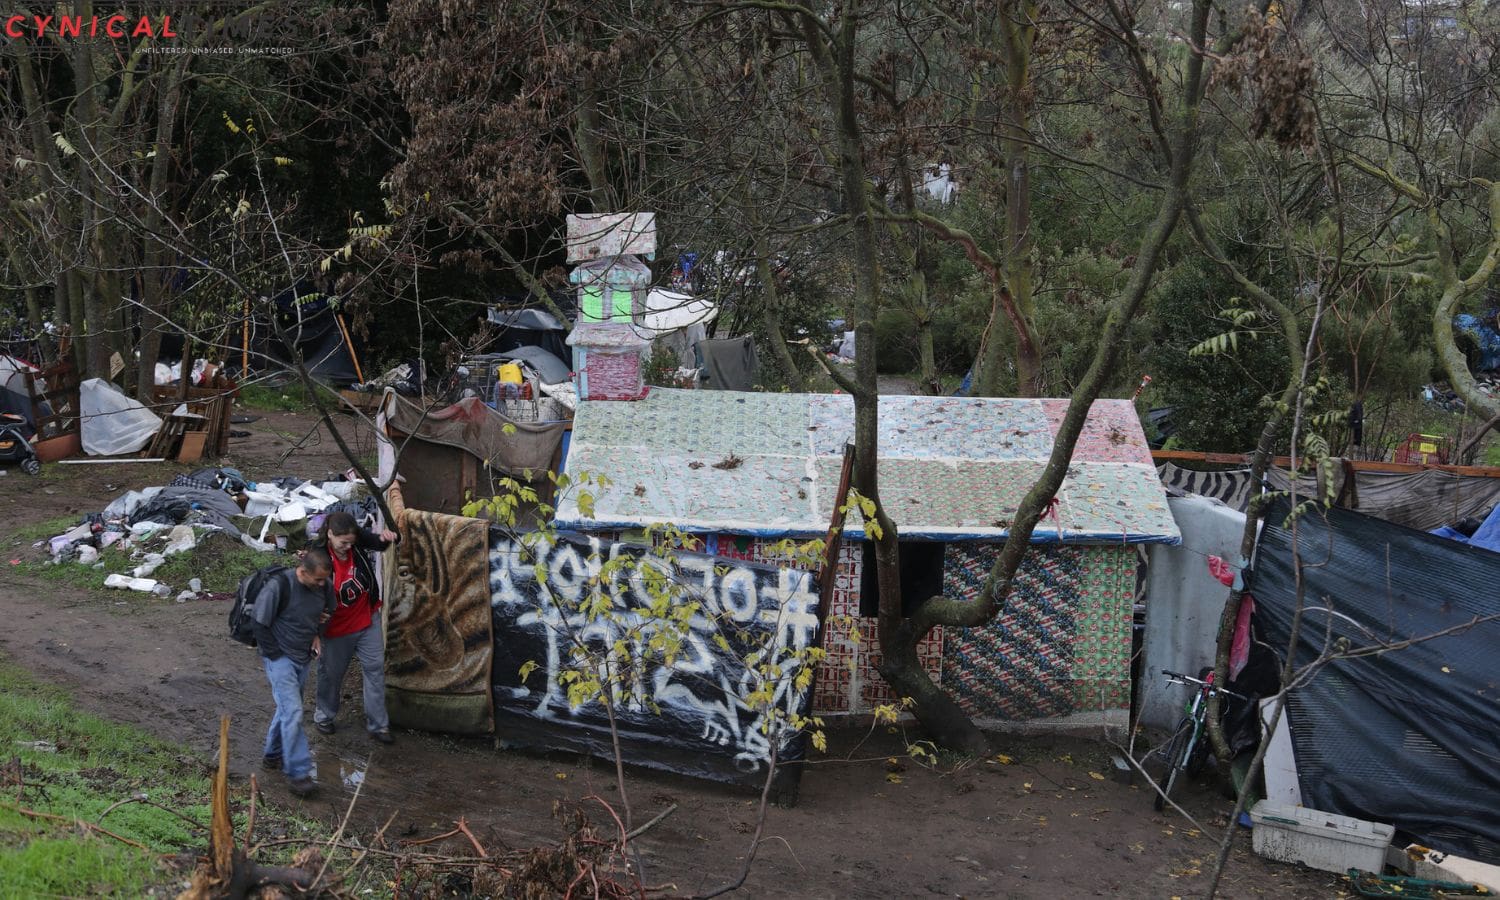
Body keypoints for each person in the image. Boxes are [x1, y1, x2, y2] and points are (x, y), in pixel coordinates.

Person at [310, 511, 399, 744]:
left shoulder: (356, 541)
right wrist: (313, 630)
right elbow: (307, 595)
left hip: (366, 619)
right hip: (336, 629)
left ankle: (379, 725)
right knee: (331, 675)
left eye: (351, 542)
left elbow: (379, 543)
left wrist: (389, 537)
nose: (348, 547)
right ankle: (324, 716)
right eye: (343, 543)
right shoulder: (318, 557)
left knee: (375, 668)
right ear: (330, 534)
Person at [255, 548, 335, 798]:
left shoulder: (324, 586)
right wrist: (276, 657)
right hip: (279, 657)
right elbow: (259, 623)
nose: (322, 585)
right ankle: (298, 773)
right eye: (318, 580)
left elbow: (328, 612)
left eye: (325, 580)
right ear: (302, 572)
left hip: (303, 655)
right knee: (294, 710)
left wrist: (317, 634)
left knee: (287, 709)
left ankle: (272, 754)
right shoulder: (279, 586)